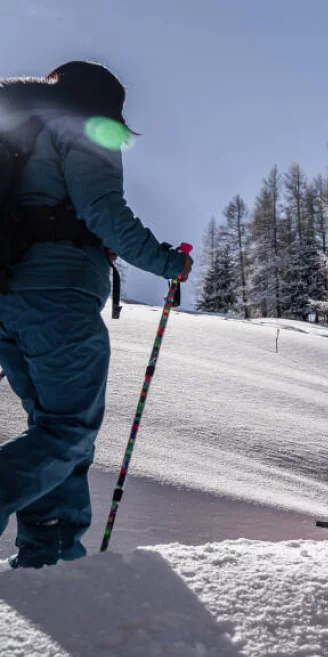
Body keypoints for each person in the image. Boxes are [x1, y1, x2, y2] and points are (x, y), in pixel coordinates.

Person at [0, 62, 193, 568]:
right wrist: (168, 262)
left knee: (53, 429)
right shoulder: (83, 127)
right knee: (68, 430)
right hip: (57, 296)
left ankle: (51, 558)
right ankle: (51, 551)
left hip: (8, 296)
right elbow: (103, 212)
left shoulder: (21, 130)